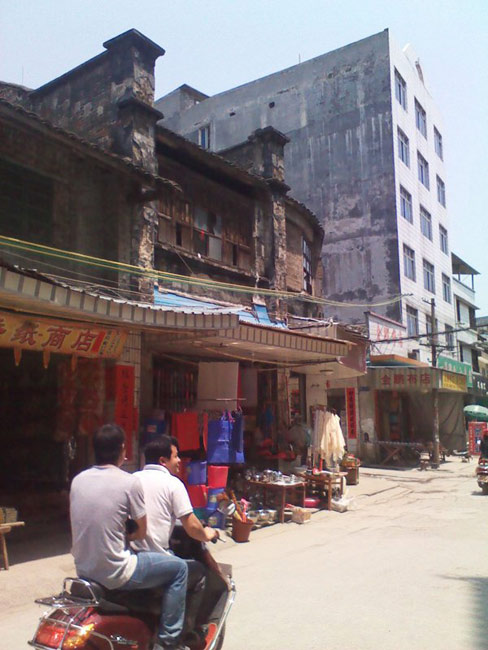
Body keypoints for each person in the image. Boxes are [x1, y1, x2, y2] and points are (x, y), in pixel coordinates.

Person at [70, 424, 189, 650]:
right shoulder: (129, 482)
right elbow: (141, 532)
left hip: (83, 570)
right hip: (117, 572)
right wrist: (127, 534)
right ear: (122, 450)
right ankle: (167, 642)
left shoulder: (78, 480)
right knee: (180, 569)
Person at [133, 436, 219, 643]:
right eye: (176, 456)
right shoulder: (172, 484)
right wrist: (208, 533)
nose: (180, 460)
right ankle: (180, 636)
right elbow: (192, 526)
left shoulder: (131, 479)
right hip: (155, 560)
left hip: (129, 559)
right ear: (163, 460)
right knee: (197, 572)